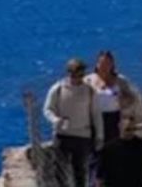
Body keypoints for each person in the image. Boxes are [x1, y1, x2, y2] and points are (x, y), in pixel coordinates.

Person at [86, 51, 142, 187]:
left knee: (114, 153)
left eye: (108, 63)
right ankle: (95, 182)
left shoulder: (121, 81)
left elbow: (134, 98)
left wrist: (125, 101)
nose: (105, 66)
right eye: (102, 63)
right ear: (97, 64)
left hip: (116, 120)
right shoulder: (89, 81)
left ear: (113, 64)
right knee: (96, 154)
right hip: (97, 121)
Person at [43, 58, 102, 187]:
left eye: (81, 74)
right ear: (69, 73)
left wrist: (99, 136)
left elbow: (96, 114)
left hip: (82, 136)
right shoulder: (58, 89)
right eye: (76, 74)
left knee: (80, 171)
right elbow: (47, 109)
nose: (79, 78)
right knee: (59, 170)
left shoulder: (89, 91)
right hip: (62, 135)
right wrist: (56, 120)